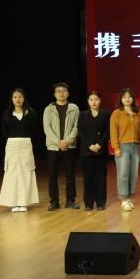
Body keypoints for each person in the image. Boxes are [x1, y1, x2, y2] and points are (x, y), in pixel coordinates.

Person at [0, 88, 39, 212]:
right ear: (11, 99)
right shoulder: (7, 114)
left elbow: (32, 131)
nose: (18, 99)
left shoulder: (31, 113)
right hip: (12, 144)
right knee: (11, 172)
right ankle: (14, 203)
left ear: (24, 98)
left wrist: (24, 140)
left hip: (26, 143)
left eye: (20, 97)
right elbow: (5, 133)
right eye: (15, 97)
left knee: (26, 171)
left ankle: (24, 203)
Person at [43, 82, 80, 211]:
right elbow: (47, 128)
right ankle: (54, 201)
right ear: (55, 94)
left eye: (64, 90)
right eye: (58, 91)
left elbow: (77, 127)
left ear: (68, 93)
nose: (61, 93)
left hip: (69, 147)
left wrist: (67, 141)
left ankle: (70, 200)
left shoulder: (74, 108)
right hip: (53, 147)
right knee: (53, 176)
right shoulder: (48, 109)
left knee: (70, 175)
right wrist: (59, 142)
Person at [110, 88, 140, 212]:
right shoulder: (117, 113)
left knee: (133, 173)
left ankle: (129, 198)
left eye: (129, 96)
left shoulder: (139, 113)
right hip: (122, 147)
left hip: (136, 146)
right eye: (124, 97)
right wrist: (116, 147)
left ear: (133, 99)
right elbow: (113, 132)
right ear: (121, 99)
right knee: (123, 173)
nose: (127, 99)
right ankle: (123, 200)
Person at [77, 91, 110, 211]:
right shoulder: (83, 115)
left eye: (96, 99)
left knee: (101, 178)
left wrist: (100, 144)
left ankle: (101, 203)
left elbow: (108, 131)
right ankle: (88, 203)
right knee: (88, 178)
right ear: (88, 101)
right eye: (91, 100)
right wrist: (90, 145)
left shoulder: (106, 114)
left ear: (100, 100)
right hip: (87, 151)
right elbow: (81, 131)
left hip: (101, 151)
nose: (94, 102)